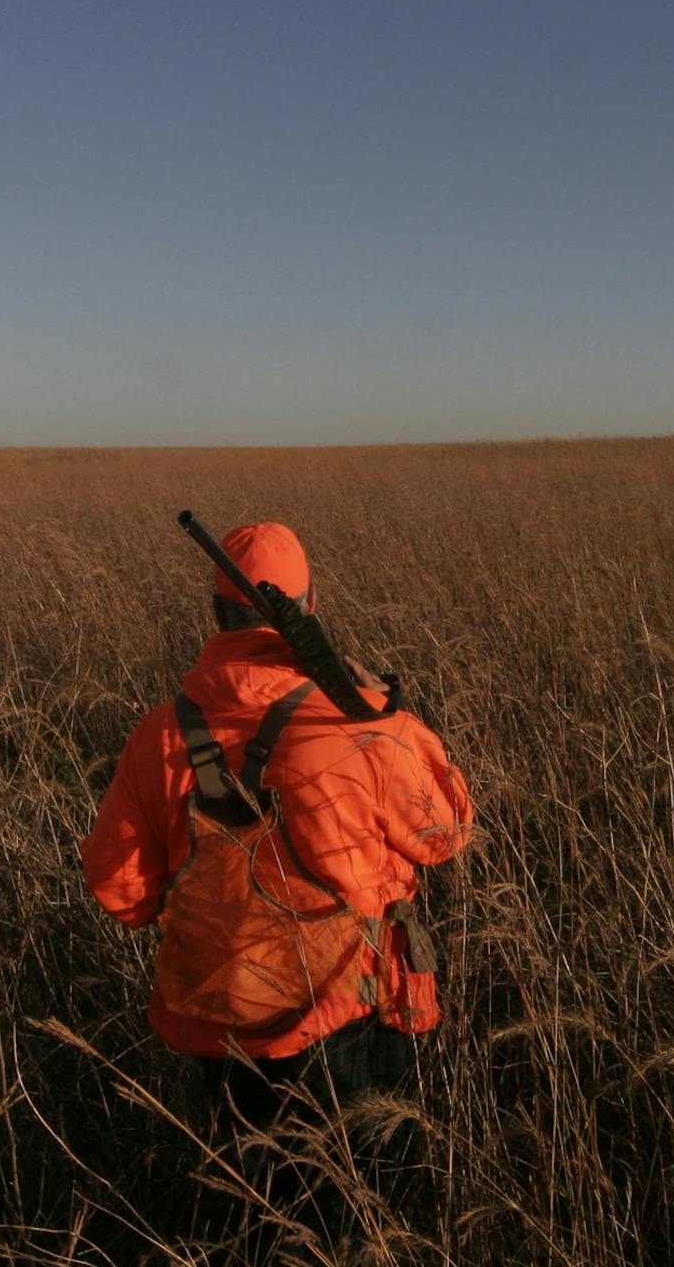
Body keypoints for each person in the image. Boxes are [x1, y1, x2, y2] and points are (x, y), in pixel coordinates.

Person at [80, 520, 474, 1253]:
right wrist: (388, 713)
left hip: (222, 1027)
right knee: (363, 1225)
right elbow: (444, 833)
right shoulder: (356, 723)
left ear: (216, 614)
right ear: (311, 605)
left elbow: (117, 887)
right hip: (350, 1017)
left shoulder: (162, 733)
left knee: (253, 1221)